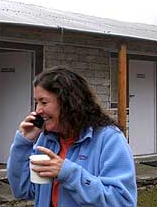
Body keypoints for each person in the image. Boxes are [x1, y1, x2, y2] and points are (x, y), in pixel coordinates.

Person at [7, 67, 137, 207]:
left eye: (44, 102)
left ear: (67, 102)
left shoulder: (109, 139)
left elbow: (122, 201)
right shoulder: (46, 140)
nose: (38, 110)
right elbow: (23, 190)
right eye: (36, 102)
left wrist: (68, 173)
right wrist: (23, 142)